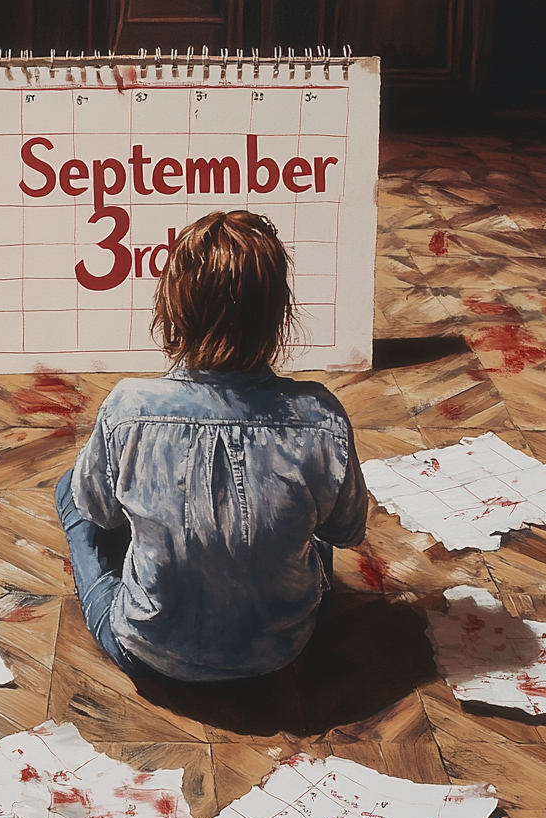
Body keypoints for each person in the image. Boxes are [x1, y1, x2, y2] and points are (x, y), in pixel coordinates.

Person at [55, 210, 367, 683]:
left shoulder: (129, 406)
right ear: (279, 314)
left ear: (174, 307)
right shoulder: (320, 417)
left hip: (148, 653)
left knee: (72, 492)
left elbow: (99, 514)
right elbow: (345, 531)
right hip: (283, 650)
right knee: (314, 521)